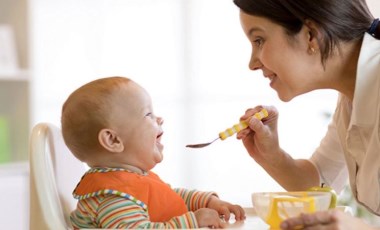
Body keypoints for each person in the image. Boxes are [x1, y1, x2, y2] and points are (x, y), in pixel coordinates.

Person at [232, 0, 380, 229]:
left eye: (259, 40)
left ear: (310, 35)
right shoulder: (353, 94)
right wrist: (272, 156)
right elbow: (320, 183)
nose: (252, 63)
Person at [61, 76, 245, 229]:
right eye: (148, 114)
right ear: (113, 140)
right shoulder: (112, 197)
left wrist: (206, 202)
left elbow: (169, 197)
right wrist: (192, 222)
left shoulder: (130, 182)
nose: (159, 118)